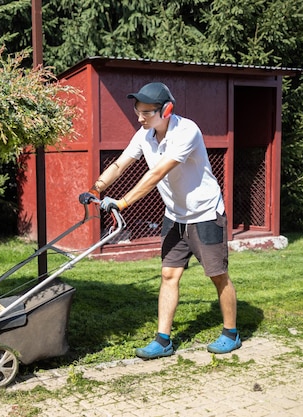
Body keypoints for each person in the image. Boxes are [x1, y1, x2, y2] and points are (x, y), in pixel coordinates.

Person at [79, 82, 241, 359]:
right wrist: (97, 188)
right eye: (137, 111)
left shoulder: (186, 132)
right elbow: (121, 163)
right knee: (168, 274)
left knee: (217, 275)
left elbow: (157, 174)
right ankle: (163, 340)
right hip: (175, 215)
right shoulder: (145, 134)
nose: (139, 118)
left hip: (205, 213)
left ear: (166, 110)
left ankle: (231, 333)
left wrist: (123, 202)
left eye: (146, 112)